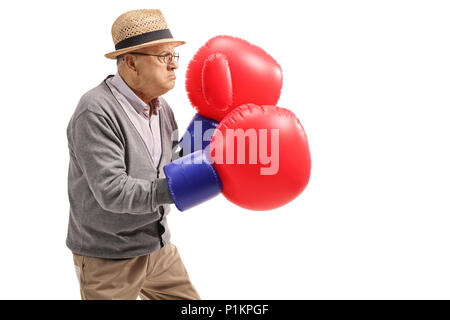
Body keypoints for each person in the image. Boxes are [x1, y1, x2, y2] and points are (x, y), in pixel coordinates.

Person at [66, 9, 200, 300]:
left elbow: (168, 166)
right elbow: (113, 192)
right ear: (131, 62)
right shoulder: (95, 111)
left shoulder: (162, 107)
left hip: (158, 248)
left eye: (173, 57)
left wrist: (205, 134)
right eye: (163, 56)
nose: (173, 66)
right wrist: (183, 185)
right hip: (108, 257)